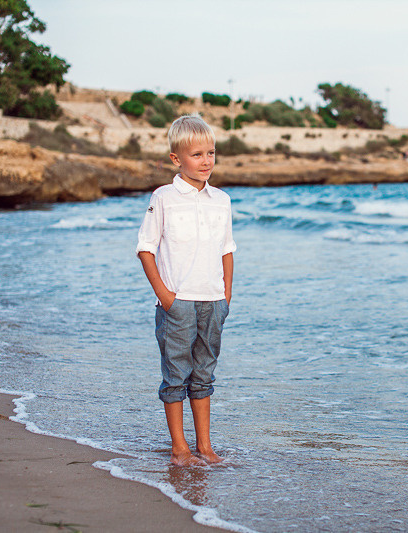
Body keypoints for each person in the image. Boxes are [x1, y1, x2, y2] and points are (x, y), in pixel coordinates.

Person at [136, 114, 235, 466]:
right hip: (178, 302)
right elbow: (145, 248)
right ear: (176, 159)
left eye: (211, 152)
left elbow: (227, 249)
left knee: (204, 375)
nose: (206, 161)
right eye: (197, 154)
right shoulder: (163, 197)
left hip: (213, 301)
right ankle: (180, 448)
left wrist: (226, 296)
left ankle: (204, 447)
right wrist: (166, 297)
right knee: (176, 375)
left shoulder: (221, 200)